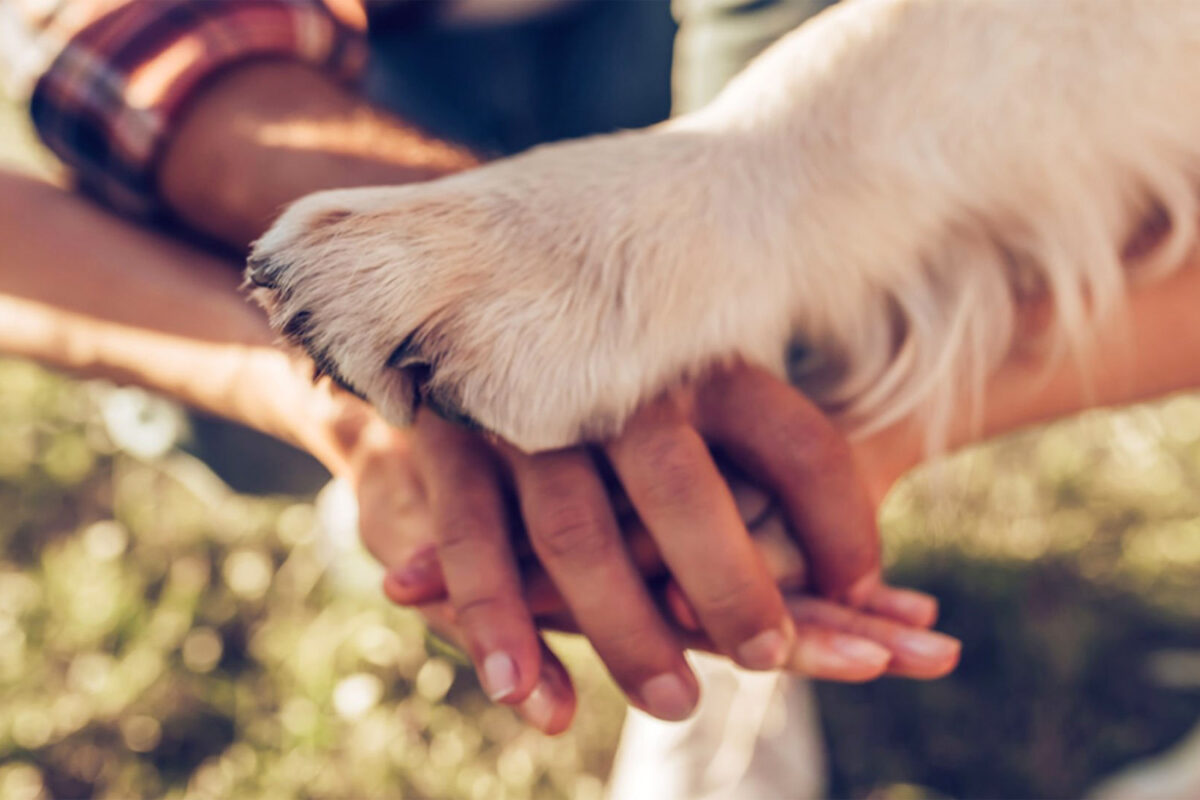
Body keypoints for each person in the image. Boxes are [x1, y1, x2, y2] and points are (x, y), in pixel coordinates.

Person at [1, 0, 959, 730]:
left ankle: (712, 549)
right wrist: (393, 353)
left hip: (687, 51)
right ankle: (648, 519)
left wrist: (676, 310)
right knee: (243, 383)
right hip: (355, 68)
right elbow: (122, 44)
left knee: (789, 306)